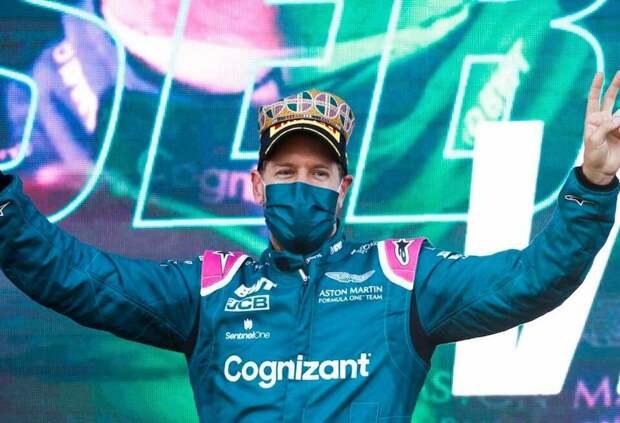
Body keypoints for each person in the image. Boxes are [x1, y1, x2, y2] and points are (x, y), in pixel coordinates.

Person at [1, 74, 619, 423]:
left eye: (320, 173)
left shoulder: (401, 281)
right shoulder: (210, 290)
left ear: (343, 189)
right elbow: (76, 276)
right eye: (286, 171)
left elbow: (532, 278)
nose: (303, 185)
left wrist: (592, 184)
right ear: (257, 184)